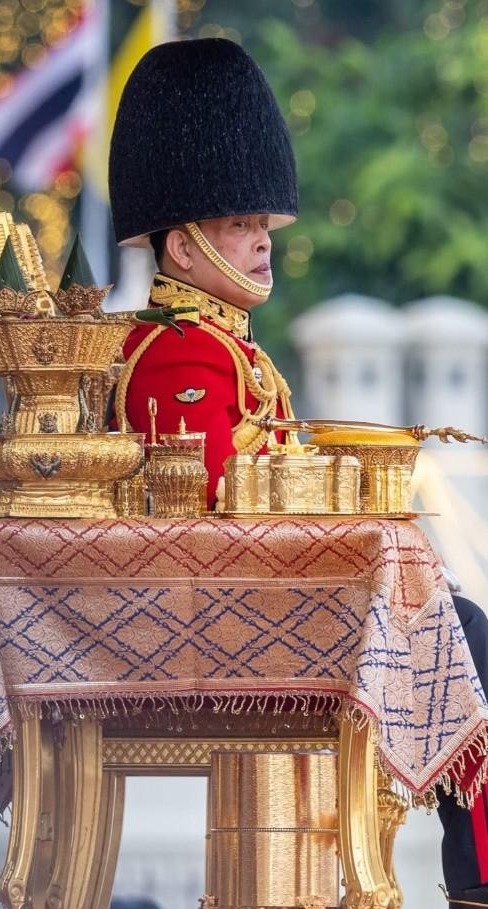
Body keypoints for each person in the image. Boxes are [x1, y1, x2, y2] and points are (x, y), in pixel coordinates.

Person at [108, 36, 488, 909]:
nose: (263, 243)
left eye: (261, 224)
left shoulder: (222, 347)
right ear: (180, 242)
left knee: (459, 625)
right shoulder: (179, 358)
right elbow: (222, 508)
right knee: (459, 630)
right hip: (215, 623)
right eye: (240, 224)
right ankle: (476, 877)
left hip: (257, 608)